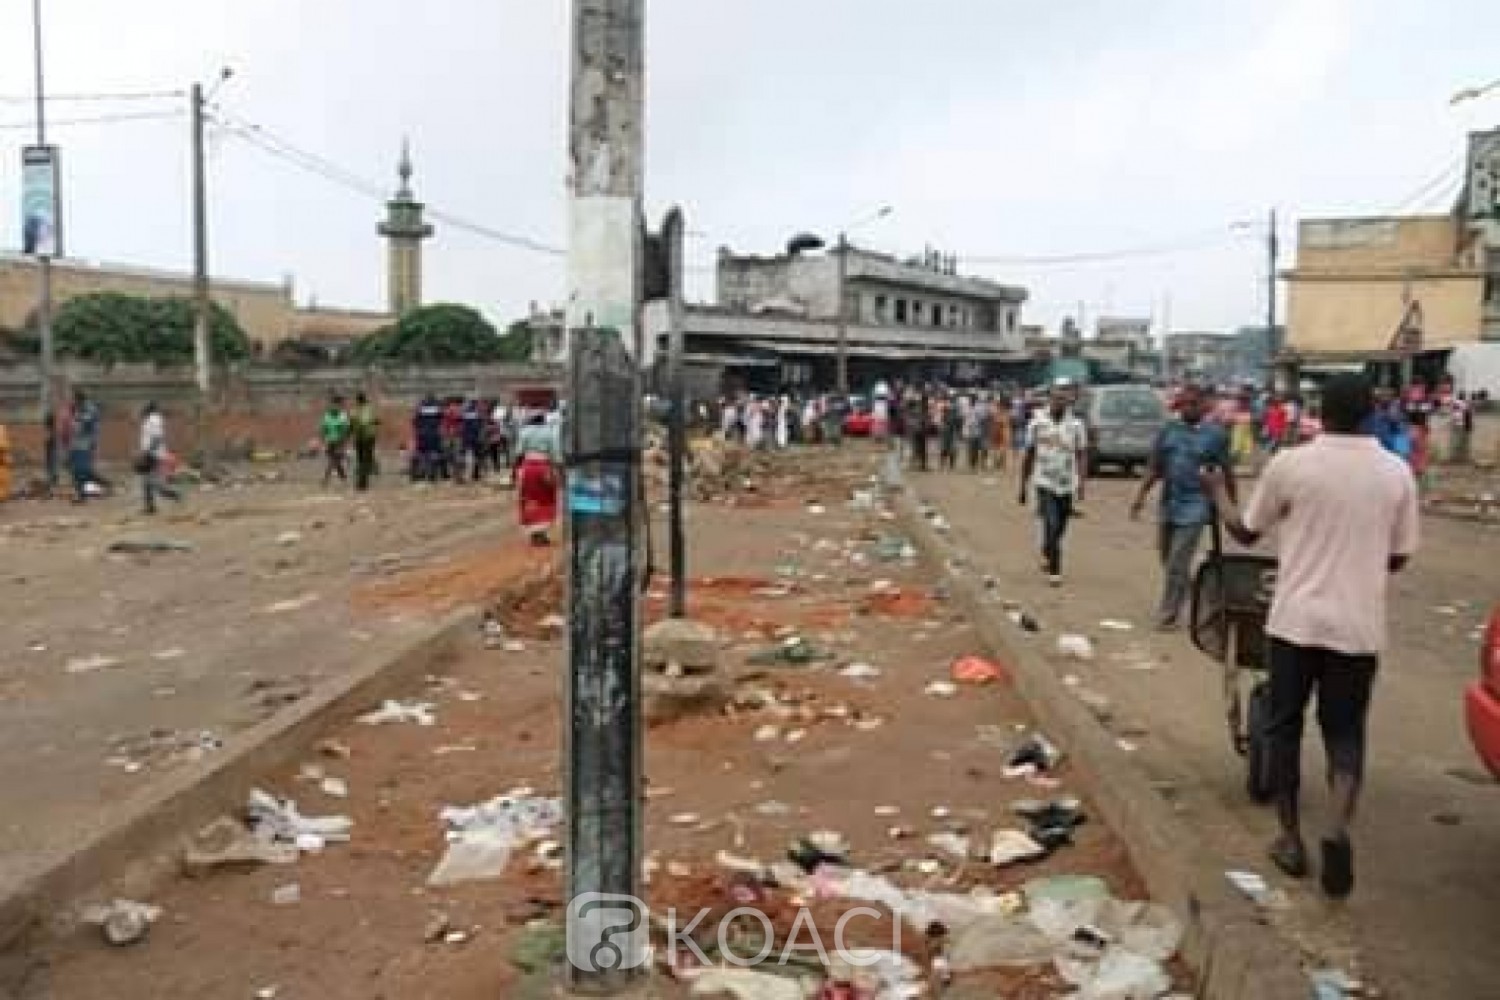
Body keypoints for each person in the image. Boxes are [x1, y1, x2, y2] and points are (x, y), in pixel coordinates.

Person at [1203, 373, 1418, 899]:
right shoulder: (1396, 474)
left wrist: (1219, 493)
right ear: (1372, 414)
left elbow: (1246, 531)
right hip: (1357, 626)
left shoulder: (1291, 465)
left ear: (1320, 411)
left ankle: (1291, 838)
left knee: (1283, 727)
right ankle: (1338, 827)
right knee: (1345, 734)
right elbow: (1399, 555)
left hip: (1295, 621)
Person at [1130, 383, 1236, 631]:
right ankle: (1198, 597)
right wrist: (1140, 496)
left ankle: (1168, 614)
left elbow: (1226, 471)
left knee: (1178, 561)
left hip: (1197, 506)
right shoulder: (1168, 431)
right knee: (1167, 557)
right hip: (1170, 503)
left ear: (1203, 406)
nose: (1188, 408)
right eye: (1184, 404)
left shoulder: (1216, 435)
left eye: (1193, 404)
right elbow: (1155, 466)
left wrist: (1229, 504)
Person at [1019, 384, 1088, 586]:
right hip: (1044, 481)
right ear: (1049, 400)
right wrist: (1023, 485)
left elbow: (1082, 454)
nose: (1060, 403)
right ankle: (1055, 570)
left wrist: (1082, 482)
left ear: (1068, 403)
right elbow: (1029, 453)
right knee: (1051, 522)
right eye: (1056, 399)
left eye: (1064, 400)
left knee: (1061, 525)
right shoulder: (1037, 423)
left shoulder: (1076, 425)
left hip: (1067, 484)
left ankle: (1048, 548)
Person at [514, 412, 561, 545]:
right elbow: (556, 455)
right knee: (546, 498)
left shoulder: (524, 432)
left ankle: (534, 533)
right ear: (543, 420)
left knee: (529, 498)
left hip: (528, 468)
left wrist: (515, 472)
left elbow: (518, 454)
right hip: (544, 468)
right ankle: (542, 532)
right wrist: (559, 470)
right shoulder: (550, 433)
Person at [137, 402, 181, 515]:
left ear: (149, 410)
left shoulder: (154, 420)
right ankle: (151, 507)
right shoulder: (152, 419)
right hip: (153, 453)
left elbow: (157, 437)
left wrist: (147, 453)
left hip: (154, 454)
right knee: (146, 482)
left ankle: (174, 495)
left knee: (152, 483)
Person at [351, 392, 381, 492]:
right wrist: (375, 422)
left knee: (361, 460)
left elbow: (351, 424)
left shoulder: (354, 411)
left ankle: (361, 482)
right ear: (365, 400)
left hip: (360, 438)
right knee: (365, 459)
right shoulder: (369, 410)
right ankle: (363, 483)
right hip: (368, 438)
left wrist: (351, 433)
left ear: (357, 401)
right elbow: (375, 421)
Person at [320, 395, 352, 487]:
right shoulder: (327, 416)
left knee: (333, 460)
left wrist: (344, 443)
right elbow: (323, 429)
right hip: (330, 442)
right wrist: (323, 441)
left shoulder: (342, 416)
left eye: (338, 405)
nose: (335, 407)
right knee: (335, 461)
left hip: (339, 441)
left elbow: (346, 430)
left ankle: (325, 479)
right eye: (334, 404)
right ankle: (344, 478)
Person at [411, 395, 444, 482]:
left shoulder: (420, 409)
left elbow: (415, 422)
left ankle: (417, 474)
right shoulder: (438, 409)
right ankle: (432, 475)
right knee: (434, 453)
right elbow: (441, 420)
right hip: (434, 434)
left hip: (422, 434)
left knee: (420, 453)